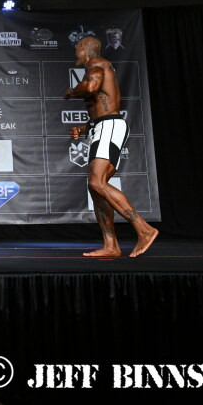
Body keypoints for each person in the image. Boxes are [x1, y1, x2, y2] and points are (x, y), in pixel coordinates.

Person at [65, 35, 157, 257]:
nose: (76, 53)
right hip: (102, 127)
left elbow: (91, 87)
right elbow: (102, 108)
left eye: (77, 48)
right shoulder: (98, 67)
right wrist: (84, 128)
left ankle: (144, 229)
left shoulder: (98, 64)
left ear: (84, 48)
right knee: (96, 188)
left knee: (97, 182)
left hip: (110, 127)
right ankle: (111, 245)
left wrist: (71, 92)